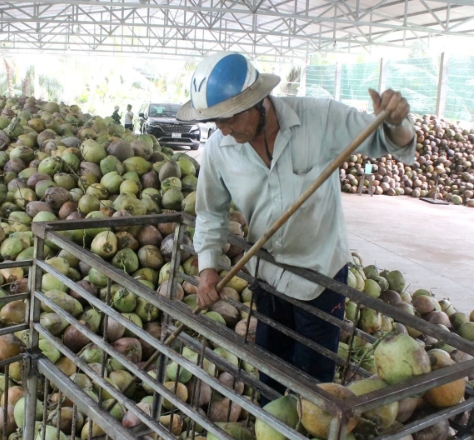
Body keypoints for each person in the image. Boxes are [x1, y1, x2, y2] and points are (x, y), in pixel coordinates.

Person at [176, 52, 416, 392]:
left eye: (228, 118)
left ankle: (309, 438)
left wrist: (397, 121)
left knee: (314, 384)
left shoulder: (320, 118)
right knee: (270, 376)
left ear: (258, 102)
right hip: (268, 276)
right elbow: (211, 213)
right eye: (214, 122)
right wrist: (208, 270)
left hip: (320, 276)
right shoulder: (220, 148)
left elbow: (386, 138)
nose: (223, 130)